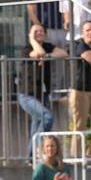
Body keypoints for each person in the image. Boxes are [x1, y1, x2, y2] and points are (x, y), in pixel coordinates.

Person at [18, 24, 67, 161]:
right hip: (27, 95)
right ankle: (39, 150)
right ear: (30, 34)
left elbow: (64, 53)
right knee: (47, 117)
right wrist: (32, 40)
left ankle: (31, 157)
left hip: (43, 94)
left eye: (41, 31)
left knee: (37, 125)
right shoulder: (26, 48)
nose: (39, 33)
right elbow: (37, 53)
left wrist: (48, 55)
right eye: (35, 31)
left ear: (45, 34)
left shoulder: (47, 46)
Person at [70, 21, 91, 155]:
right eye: (88, 30)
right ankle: (77, 156)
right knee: (80, 125)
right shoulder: (79, 44)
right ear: (83, 32)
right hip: (81, 91)